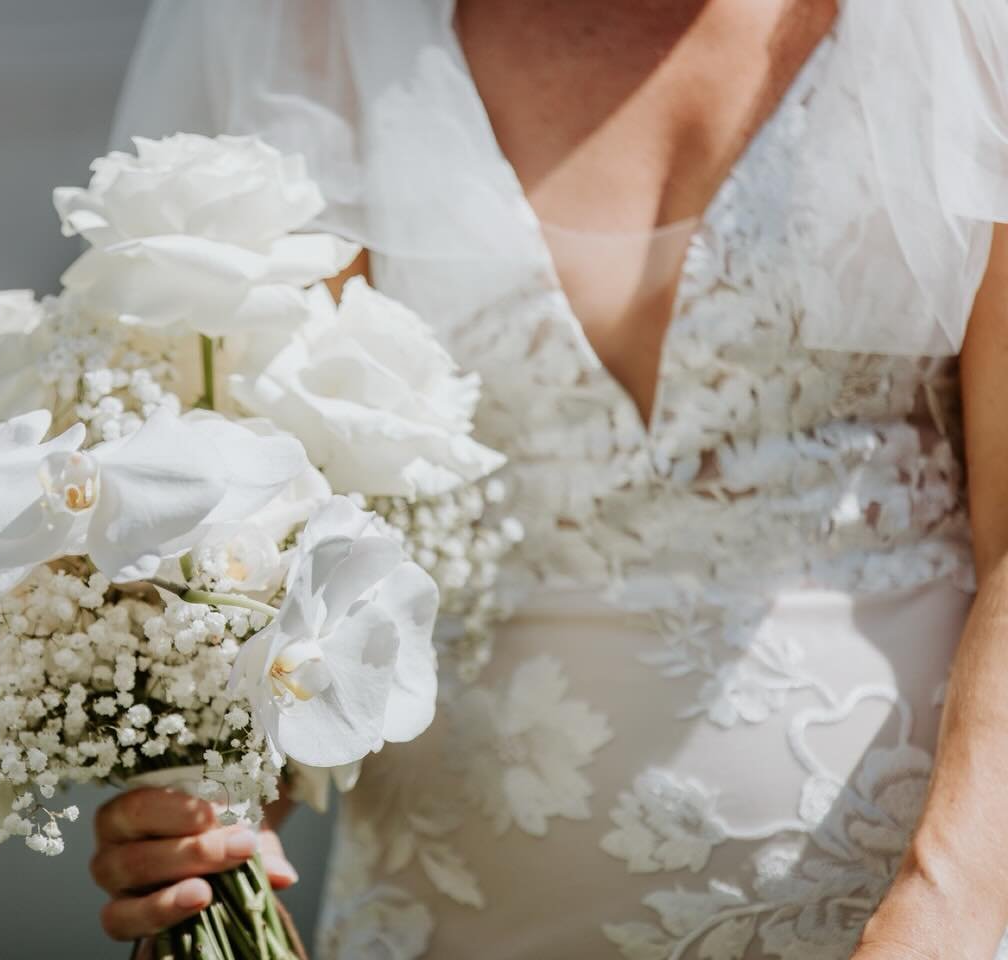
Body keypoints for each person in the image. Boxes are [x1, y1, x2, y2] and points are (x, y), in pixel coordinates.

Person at [88, 1, 1008, 956]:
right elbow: (260, 538)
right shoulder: (314, 26)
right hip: (448, 912)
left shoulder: (962, 25)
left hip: (907, 913)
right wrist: (214, 832)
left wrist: (946, 908)